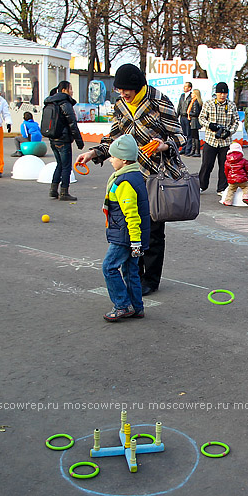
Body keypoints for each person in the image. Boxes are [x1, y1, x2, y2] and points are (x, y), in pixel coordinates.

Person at [74, 63, 185, 296]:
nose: (123, 94)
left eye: (127, 90)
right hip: (129, 176)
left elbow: (179, 136)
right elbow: (114, 138)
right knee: (131, 228)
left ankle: (150, 280)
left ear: (138, 86)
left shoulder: (158, 100)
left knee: (153, 230)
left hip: (155, 175)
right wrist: (94, 153)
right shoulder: (120, 105)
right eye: (119, 90)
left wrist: (164, 145)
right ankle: (134, 274)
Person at [101, 134, 150, 321]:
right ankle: (137, 307)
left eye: (113, 157)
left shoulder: (124, 182)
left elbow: (132, 215)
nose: (111, 160)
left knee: (109, 267)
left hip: (124, 235)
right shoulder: (135, 175)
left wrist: (135, 241)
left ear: (123, 159)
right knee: (130, 270)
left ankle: (122, 305)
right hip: (129, 234)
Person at [44, 80, 84, 201]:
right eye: (70, 88)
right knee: (66, 166)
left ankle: (53, 189)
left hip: (53, 138)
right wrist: (79, 141)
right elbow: (72, 123)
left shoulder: (50, 102)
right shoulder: (65, 103)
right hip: (63, 139)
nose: (72, 91)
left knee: (59, 164)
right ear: (64, 90)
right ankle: (64, 192)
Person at [198, 81, 238, 195]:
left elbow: (235, 121)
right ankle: (201, 185)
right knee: (206, 165)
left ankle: (222, 188)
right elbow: (201, 118)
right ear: (216, 93)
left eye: (224, 93)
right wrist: (209, 125)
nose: (222, 95)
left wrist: (229, 132)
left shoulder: (231, 105)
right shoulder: (209, 104)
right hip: (211, 140)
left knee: (225, 167)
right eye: (220, 93)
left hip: (225, 142)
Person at [176, 82, 193, 155]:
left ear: (189, 88)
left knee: (189, 134)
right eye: (184, 86)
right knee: (183, 133)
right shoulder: (182, 96)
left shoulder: (191, 96)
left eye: (186, 86)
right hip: (182, 116)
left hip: (187, 117)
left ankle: (188, 149)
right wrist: (177, 115)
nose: (184, 88)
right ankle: (183, 148)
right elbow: (179, 106)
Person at [185, 89, 202, 157]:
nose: (191, 95)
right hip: (193, 120)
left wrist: (189, 113)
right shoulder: (193, 101)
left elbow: (196, 112)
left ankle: (196, 151)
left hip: (194, 120)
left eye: (192, 94)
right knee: (193, 136)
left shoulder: (195, 102)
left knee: (195, 136)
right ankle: (194, 150)